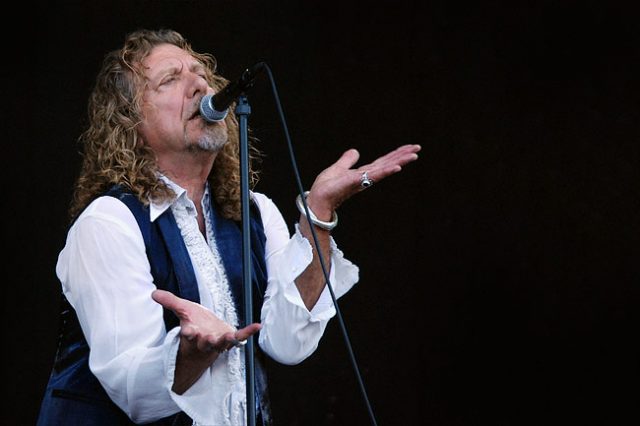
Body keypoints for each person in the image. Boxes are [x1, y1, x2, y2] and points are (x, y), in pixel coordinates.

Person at [37, 28, 421, 426]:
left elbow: (287, 342)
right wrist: (191, 353)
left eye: (200, 72)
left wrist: (318, 215)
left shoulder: (254, 211)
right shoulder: (109, 223)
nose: (199, 84)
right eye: (170, 79)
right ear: (128, 122)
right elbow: (133, 392)